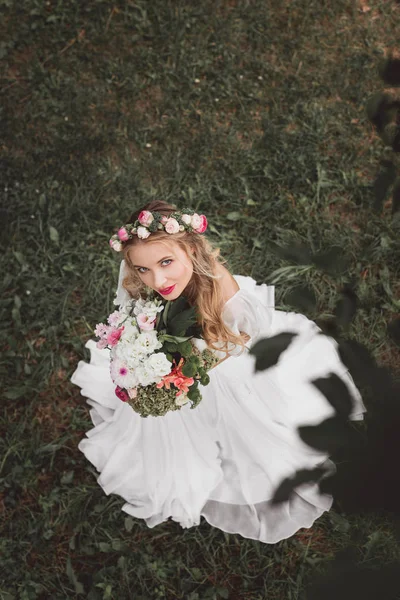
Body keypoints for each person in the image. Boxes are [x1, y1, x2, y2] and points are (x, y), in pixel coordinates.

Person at [71, 200, 366, 544]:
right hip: (175, 364)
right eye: (142, 269)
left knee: (252, 434)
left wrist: (180, 376)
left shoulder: (220, 289)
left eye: (167, 263)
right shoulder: (143, 281)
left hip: (224, 365)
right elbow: (136, 312)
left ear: (191, 251)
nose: (157, 279)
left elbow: (239, 342)